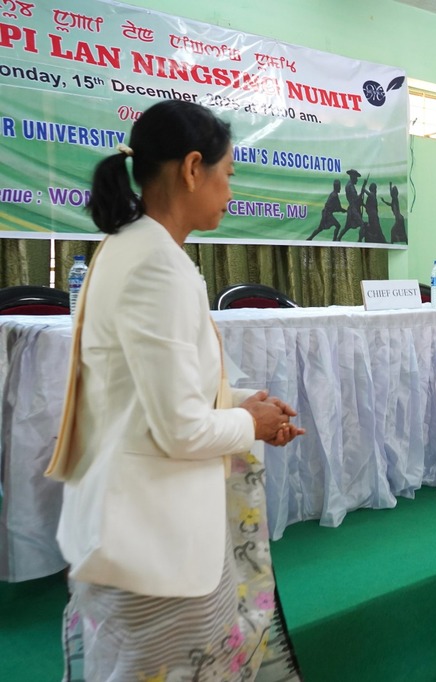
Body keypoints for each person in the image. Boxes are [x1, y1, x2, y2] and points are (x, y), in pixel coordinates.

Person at [44, 100, 305, 682]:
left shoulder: (134, 247)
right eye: (227, 174)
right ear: (192, 169)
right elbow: (180, 428)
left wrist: (239, 403)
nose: (230, 192)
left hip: (134, 531)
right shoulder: (156, 265)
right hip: (151, 544)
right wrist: (252, 424)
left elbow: (145, 396)